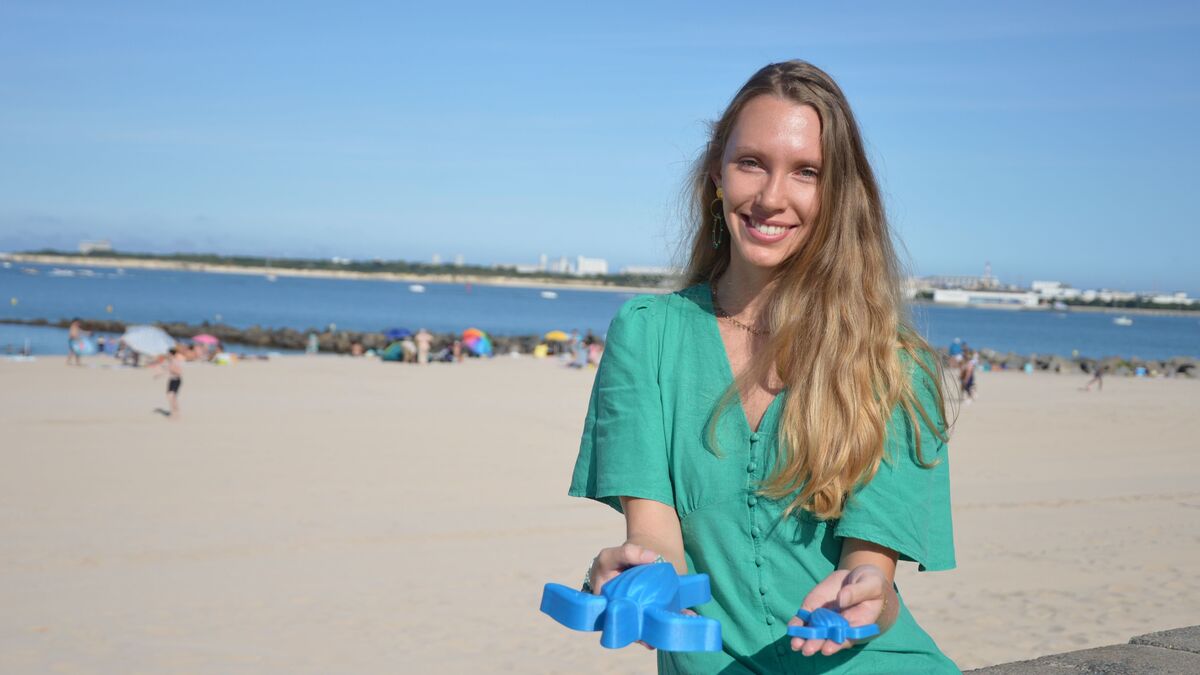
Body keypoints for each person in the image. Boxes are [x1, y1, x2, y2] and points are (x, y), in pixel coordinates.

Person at [568, 61, 956, 673]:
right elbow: (656, 535)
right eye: (751, 162)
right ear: (715, 175)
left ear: (836, 195)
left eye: (806, 172)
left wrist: (861, 599)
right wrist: (639, 582)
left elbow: (870, 573)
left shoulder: (893, 364)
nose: (772, 197)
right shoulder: (647, 332)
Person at [155, 347, 184, 418]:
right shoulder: (169, 361)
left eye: (168, 353)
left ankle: (174, 413)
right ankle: (175, 412)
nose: (167, 354)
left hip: (176, 380)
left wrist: (171, 369)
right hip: (171, 380)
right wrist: (159, 375)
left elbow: (179, 372)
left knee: (172, 397)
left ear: (171, 354)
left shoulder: (175, 361)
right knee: (171, 397)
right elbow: (166, 370)